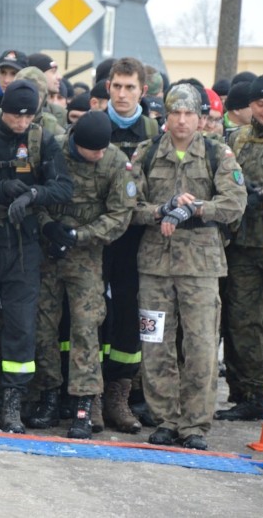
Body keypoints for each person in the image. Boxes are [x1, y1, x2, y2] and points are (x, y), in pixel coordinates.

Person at [0, 80, 73, 431]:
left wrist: (32, 194)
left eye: (27, 117)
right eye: (14, 116)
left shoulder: (42, 139)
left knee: (21, 324)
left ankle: (13, 401)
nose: (20, 123)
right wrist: (1, 189)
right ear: (3, 110)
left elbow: (64, 186)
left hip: (24, 246)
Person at [131, 84, 246, 450]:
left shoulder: (217, 153)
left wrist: (195, 208)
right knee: (156, 345)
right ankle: (165, 418)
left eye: (188, 114)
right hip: (155, 264)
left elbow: (234, 204)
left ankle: (194, 424)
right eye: (174, 113)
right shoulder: (146, 153)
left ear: (200, 117)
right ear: (165, 116)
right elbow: (127, 208)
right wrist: (159, 209)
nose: (181, 120)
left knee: (200, 346)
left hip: (200, 266)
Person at [29, 111, 135, 439]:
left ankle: (84, 403)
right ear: (77, 144)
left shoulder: (115, 161)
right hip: (48, 251)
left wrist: (80, 236)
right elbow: (34, 194)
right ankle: (48, 394)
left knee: (86, 327)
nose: (99, 155)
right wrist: (49, 227)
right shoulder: (52, 150)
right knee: (43, 327)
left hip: (87, 255)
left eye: (103, 150)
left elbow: (120, 215)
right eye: (93, 151)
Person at [100, 57, 159, 434]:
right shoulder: (92, 126)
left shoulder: (155, 132)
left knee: (127, 318)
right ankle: (85, 395)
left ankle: (119, 396)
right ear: (108, 87)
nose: (122, 94)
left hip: (136, 241)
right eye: (117, 86)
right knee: (88, 317)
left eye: (130, 88)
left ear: (143, 91)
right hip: (96, 239)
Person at [216, 75, 263, 422]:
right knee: (241, 322)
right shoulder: (236, 140)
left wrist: (262, 193)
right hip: (241, 248)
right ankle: (249, 393)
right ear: (249, 106)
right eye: (261, 104)